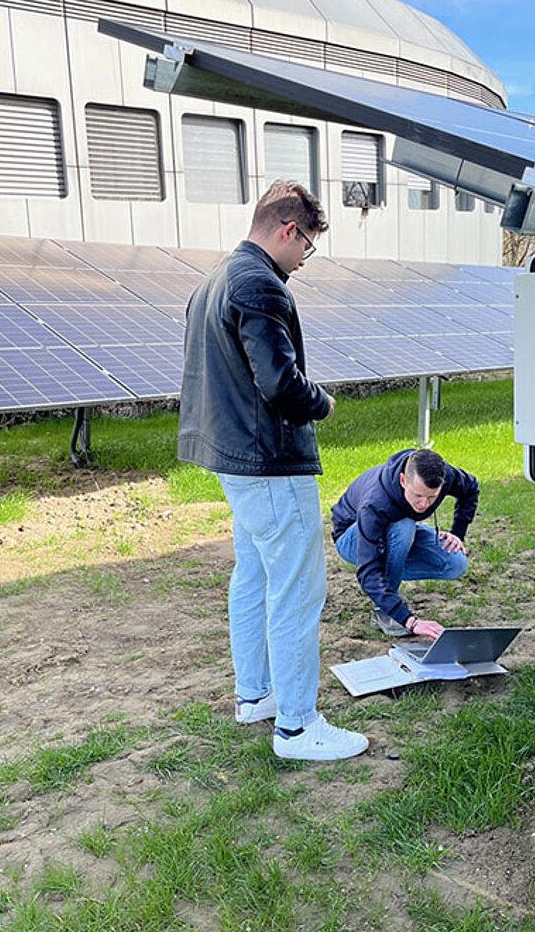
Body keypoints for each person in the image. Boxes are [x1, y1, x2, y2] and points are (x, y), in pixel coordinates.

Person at [178, 180, 367, 762]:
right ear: (289, 230)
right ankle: (296, 726)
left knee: (255, 577)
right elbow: (280, 384)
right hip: (268, 462)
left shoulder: (214, 280)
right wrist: (322, 402)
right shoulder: (260, 284)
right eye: (306, 246)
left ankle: (255, 696)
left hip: (233, 459)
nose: (303, 260)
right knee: (297, 590)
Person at [331, 448, 479, 640]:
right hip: (351, 536)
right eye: (418, 496)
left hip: (394, 532)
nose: (424, 504)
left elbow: (471, 488)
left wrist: (457, 533)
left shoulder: (446, 475)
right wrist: (410, 621)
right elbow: (368, 571)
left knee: (455, 563)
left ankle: (389, 586)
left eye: (431, 497)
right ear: (403, 480)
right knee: (403, 525)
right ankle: (385, 613)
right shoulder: (375, 503)